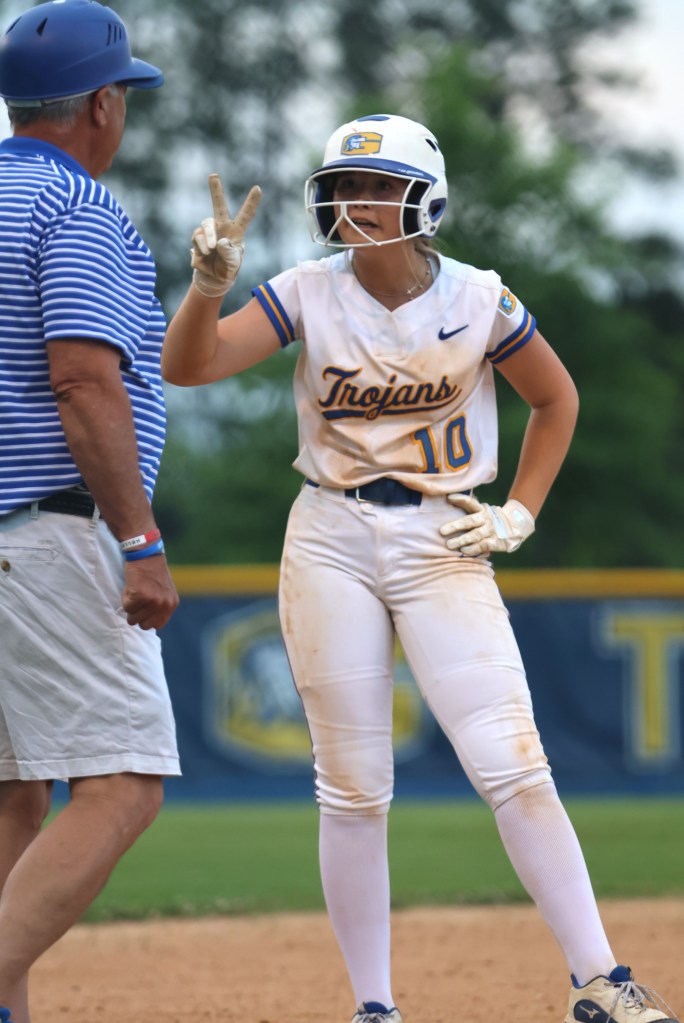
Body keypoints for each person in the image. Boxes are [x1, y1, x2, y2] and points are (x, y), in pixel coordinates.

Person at [161, 113, 679, 1023]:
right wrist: (206, 289)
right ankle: (375, 1006)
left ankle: (600, 980)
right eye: (345, 187)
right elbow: (189, 366)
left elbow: (556, 398)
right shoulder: (306, 291)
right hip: (330, 532)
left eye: (378, 187)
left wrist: (520, 510)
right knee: (352, 784)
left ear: (424, 200)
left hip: (444, 535)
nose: (357, 202)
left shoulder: (477, 297)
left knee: (513, 760)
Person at [0, 2, 180, 1021]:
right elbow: (82, 378)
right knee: (121, 783)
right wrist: (139, 537)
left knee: (12, 793)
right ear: (103, 104)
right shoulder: (74, 205)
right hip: (46, 530)